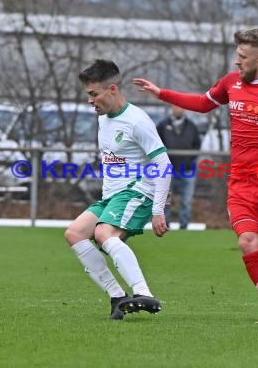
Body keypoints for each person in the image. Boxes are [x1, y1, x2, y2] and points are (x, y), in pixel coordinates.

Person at [133, 28, 258, 324]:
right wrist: (161, 93)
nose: (237, 61)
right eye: (237, 55)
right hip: (241, 183)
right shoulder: (231, 83)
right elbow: (203, 104)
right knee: (247, 243)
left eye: (243, 56)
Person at [64, 59, 172, 320]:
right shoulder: (104, 118)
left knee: (103, 232)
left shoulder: (137, 121)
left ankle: (143, 292)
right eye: (88, 95)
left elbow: (163, 163)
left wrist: (158, 210)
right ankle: (117, 296)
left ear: (112, 89)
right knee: (75, 233)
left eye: (94, 94)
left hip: (138, 192)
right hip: (113, 196)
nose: (90, 101)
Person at [156, 105, 201, 229]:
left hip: (187, 170)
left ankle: (184, 227)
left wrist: (190, 161)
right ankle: (164, 226)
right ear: (171, 108)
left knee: (186, 201)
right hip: (167, 170)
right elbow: (156, 144)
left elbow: (197, 145)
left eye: (180, 107)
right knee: (166, 200)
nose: (178, 110)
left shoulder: (191, 126)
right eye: (175, 107)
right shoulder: (163, 125)